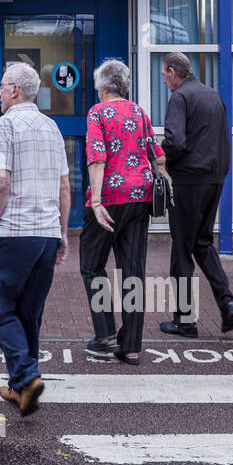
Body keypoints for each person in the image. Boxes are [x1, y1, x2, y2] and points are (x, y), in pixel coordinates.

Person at [0, 61, 70, 417]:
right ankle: (21, 388)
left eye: (2, 86)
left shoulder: (5, 125)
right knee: (29, 313)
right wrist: (62, 233)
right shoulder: (52, 127)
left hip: (13, 234)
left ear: (15, 90)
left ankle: (26, 375)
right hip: (46, 235)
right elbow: (64, 187)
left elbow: (0, 181)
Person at [79, 59, 165, 365]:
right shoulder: (139, 112)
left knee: (91, 265)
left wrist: (96, 202)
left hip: (110, 197)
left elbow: (97, 158)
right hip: (140, 196)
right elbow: (158, 156)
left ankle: (106, 334)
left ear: (103, 87)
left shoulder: (98, 112)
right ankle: (131, 346)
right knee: (133, 270)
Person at [158, 51, 233, 336]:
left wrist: (160, 155)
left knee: (182, 249)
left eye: (164, 74)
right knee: (202, 243)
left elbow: (176, 142)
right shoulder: (213, 95)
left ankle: (185, 320)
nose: (164, 80)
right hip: (215, 178)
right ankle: (227, 302)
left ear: (172, 72)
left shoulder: (180, 97)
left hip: (189, 181)